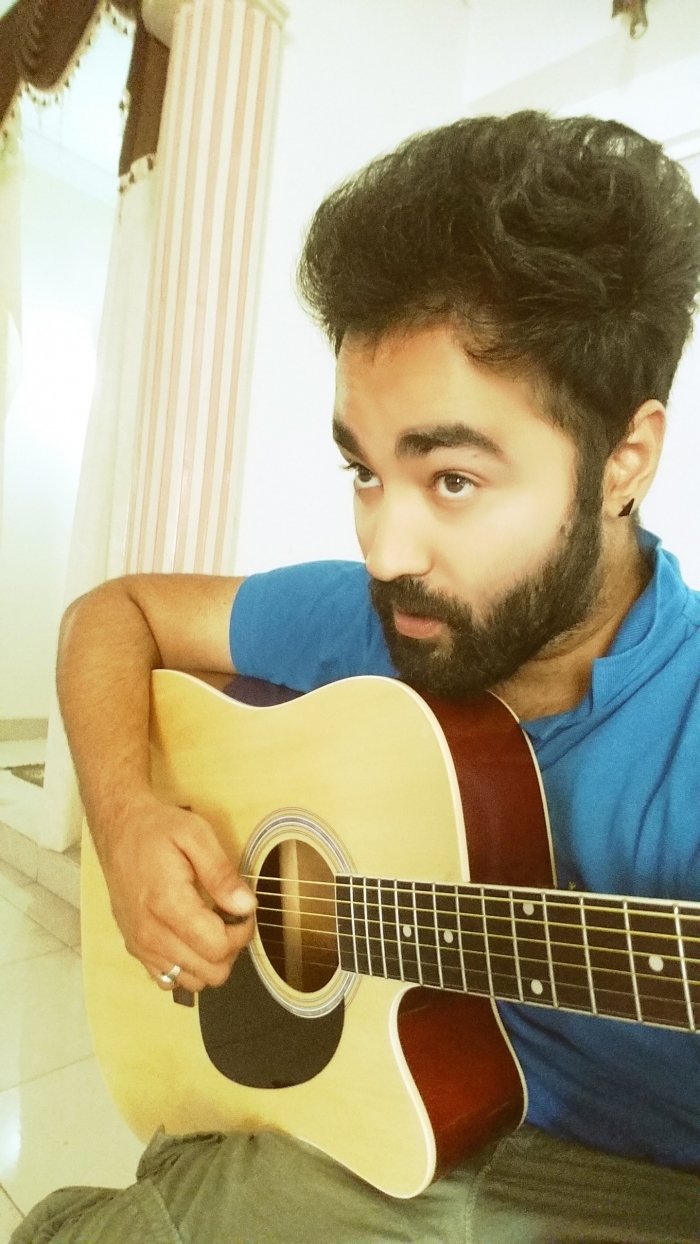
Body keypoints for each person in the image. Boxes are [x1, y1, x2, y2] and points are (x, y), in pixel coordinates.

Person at [12, 111, 700, 1244]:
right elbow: (113, 612)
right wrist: (126, 815)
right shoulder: (385, 618)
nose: (383, 551)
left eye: (451, 479)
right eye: (364, 470)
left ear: (624, 460)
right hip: (360, 1115)